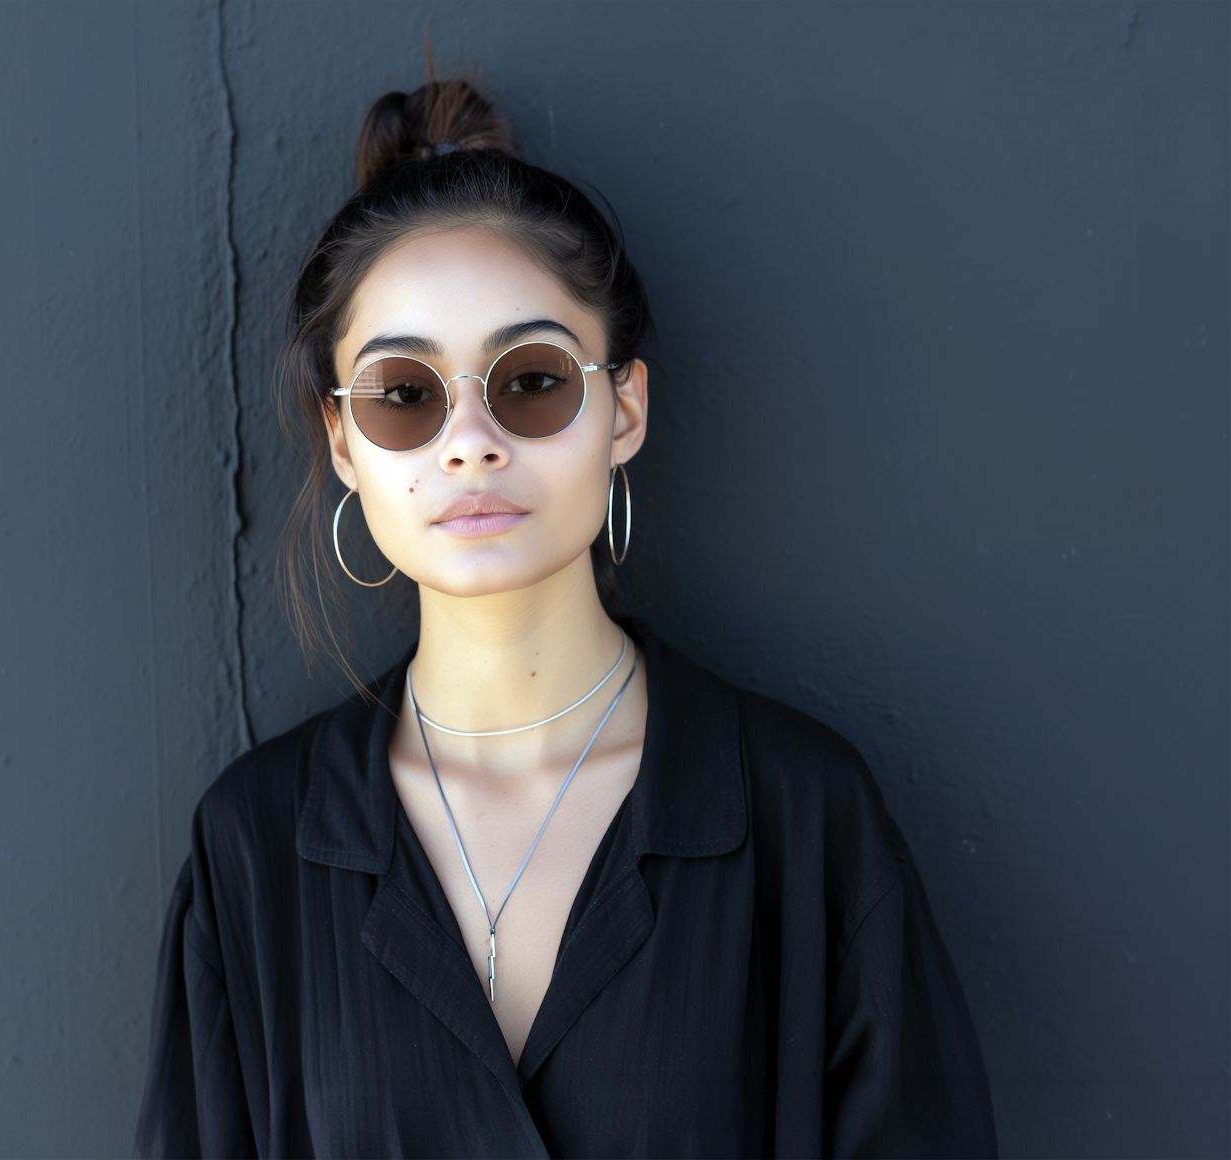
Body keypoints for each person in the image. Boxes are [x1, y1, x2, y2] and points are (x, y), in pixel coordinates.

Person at [134, 72, 996, 1160]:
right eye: (406, 393)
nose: (471, 441)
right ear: (344, 441)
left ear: (622, 406)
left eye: (531, 379)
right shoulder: (255, 846)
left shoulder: (801, 817)